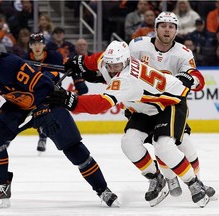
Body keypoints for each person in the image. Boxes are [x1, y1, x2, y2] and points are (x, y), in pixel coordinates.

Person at [46, 40, 211, 208]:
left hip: (169, 104)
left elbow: (101, 103)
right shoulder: (110, 60)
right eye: (109, 65)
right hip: (145, 108)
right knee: (128, 143)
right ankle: (156, 178)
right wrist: (80, 62)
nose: (111, 69)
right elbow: (96, 60)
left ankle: (193, 183)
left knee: (163, 146)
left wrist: (71, 101)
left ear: (126, 62)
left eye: (116, 66)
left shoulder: (128, 78)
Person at [0, 37, 119, 209]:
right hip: (19, 104)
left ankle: (103, 189)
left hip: (48, 99)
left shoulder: (11, 65)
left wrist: (41, 109)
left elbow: (45, 85)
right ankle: (2, 185)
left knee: (72, 148)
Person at [128, 11, 215, 200]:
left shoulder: (183, 53)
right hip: (145, 106)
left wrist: (190, 78)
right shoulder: (137, 46)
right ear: (156, 28)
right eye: (163, 25)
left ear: (176, 31)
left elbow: (197, 78)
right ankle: (162, 177)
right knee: (133, 142)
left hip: (170, 106)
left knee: (176, 141)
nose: (167, 30)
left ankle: (196, 181)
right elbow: (119, 66)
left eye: (171, 27)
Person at [24, 32, 88, 153]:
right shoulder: (24, 59)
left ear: (44, 45)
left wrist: (79, 82)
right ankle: (9, 136)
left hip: (52, 91)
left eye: (40, 43)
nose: (37, 46)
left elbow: (71, 67)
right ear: (30, 46)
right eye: (34, 44)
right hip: (32, 93)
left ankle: (43, 136)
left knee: (48, 115)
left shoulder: (55, 56)